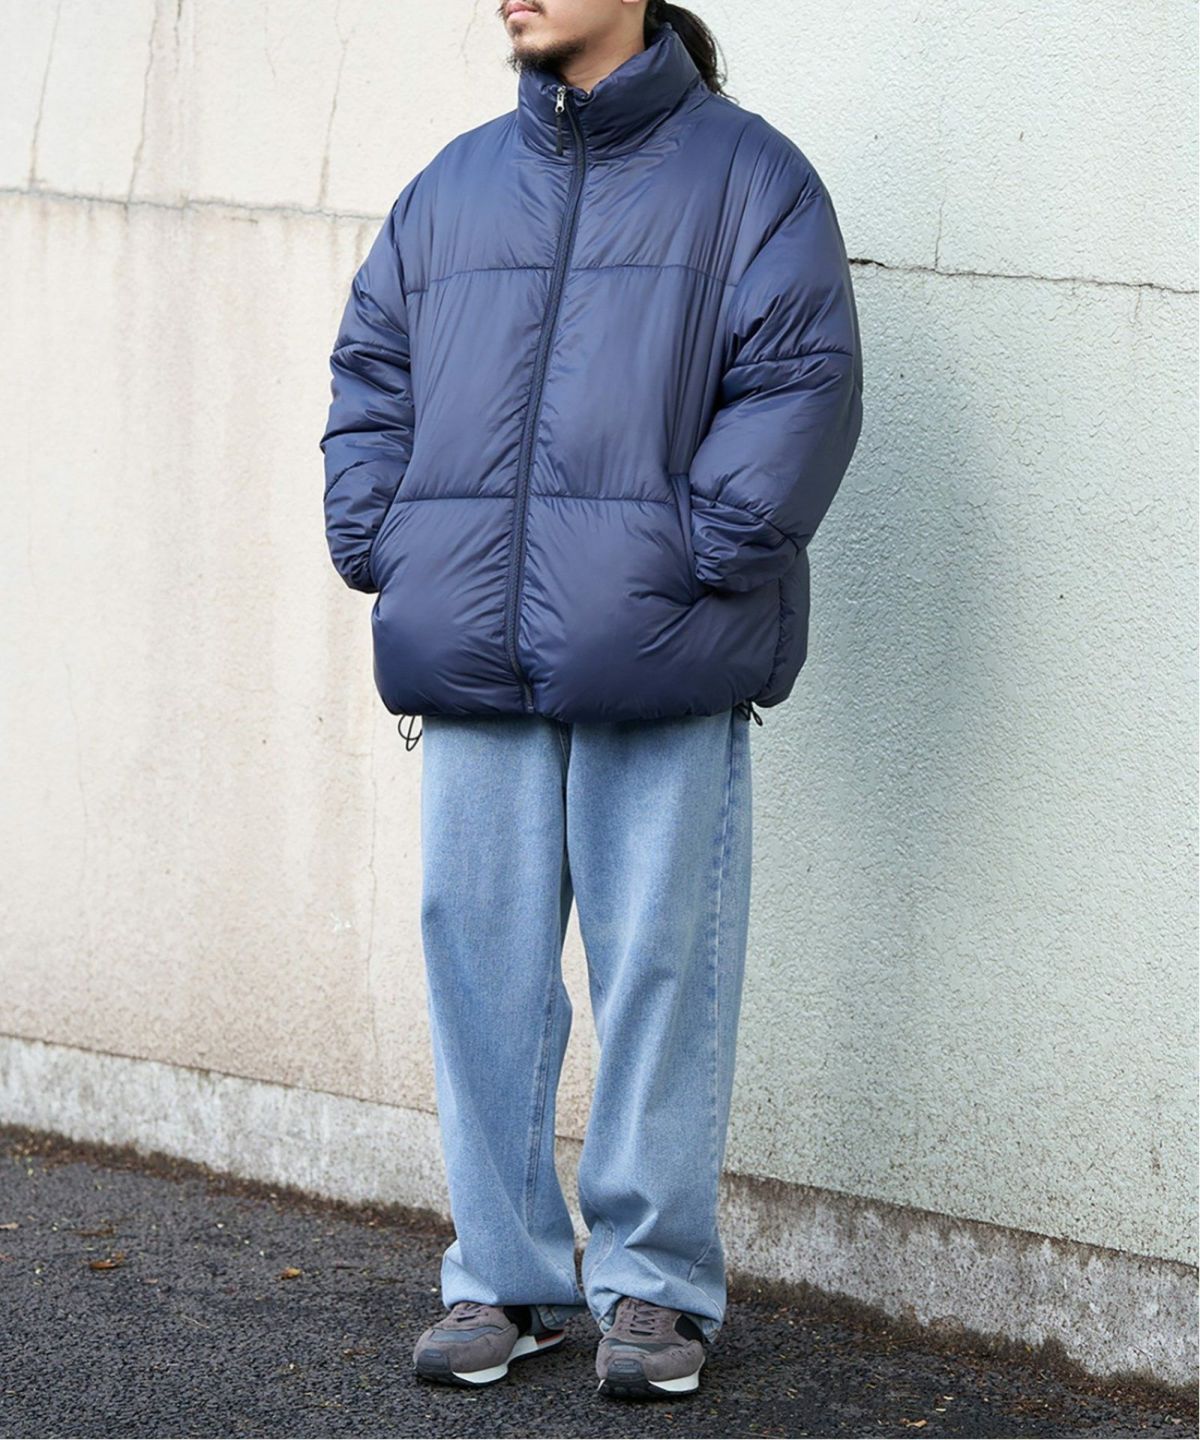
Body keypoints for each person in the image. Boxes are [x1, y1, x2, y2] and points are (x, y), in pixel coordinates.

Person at [319, 0, 863, 1403]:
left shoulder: (752, 179)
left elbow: (803, 386)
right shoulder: (453, 188)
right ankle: (501, 1278)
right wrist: (385, 541)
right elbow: (371, 371)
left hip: (660, 657)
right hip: (473, 656)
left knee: (663, 976)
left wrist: (687, 564)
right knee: (478, 971)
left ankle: (655, 1288)